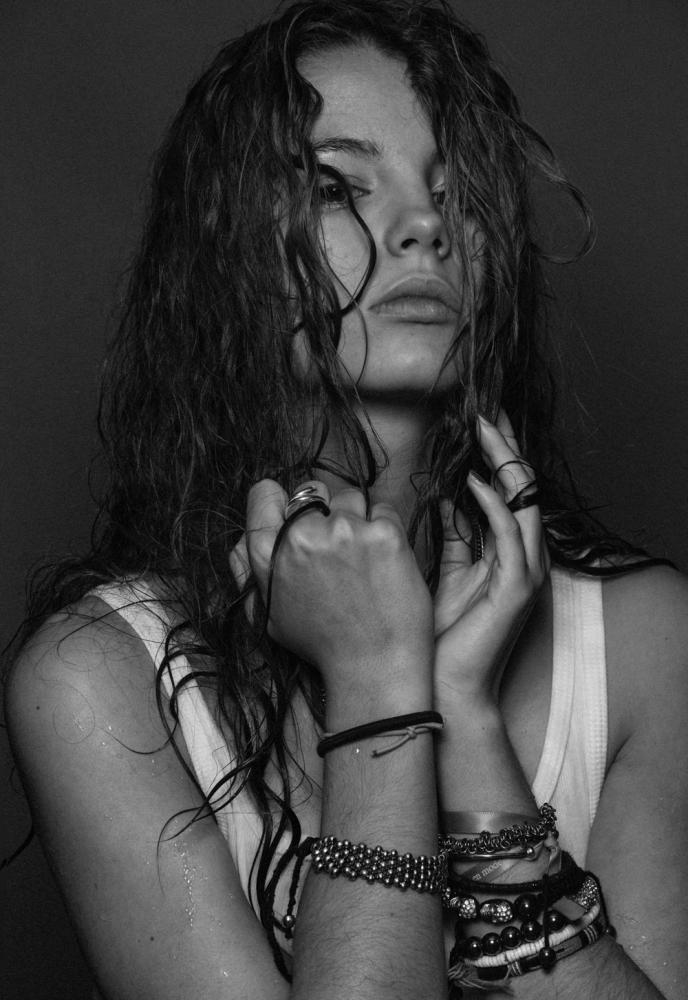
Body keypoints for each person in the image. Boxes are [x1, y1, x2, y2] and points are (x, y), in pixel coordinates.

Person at [5, 1, 688, 997]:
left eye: (454, 193)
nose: (425, 225)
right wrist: (376, 685)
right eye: (335, 185)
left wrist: (464, 716)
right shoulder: (101, 683)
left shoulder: (642, 641)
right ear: (227, 253)